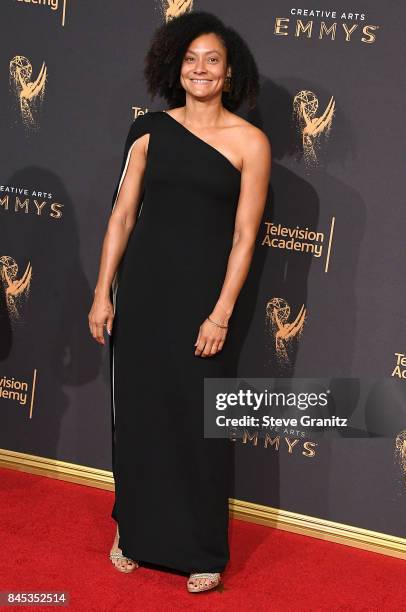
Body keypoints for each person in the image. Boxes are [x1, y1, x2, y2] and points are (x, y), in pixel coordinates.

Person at [88, 11, 270, 593]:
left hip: (203, 305)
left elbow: (246, 238)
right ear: (175, 65)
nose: (200, 69)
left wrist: (220, 313)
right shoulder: (148, 130)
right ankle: (133, 532)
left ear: (229, 70)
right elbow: (122, 215)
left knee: (197, 425)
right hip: (142, 296)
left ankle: (202, 550)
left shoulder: (250, 143)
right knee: (139, 419)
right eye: (190, 58)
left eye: (211, 59)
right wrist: (102, 292)